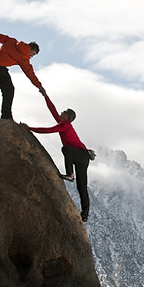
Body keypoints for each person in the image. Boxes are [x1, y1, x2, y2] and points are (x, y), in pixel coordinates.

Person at [27, 94, 91, 222]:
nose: (60, 113)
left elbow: (47, 130)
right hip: (83, 156)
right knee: (81, 186)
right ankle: (85, 212)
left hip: (80, 154)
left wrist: (29, 128)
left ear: (66, 116)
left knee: (66, 149)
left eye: (62, 112)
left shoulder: (65, 125)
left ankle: (70, 174)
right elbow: (52, 109)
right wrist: (45, 96)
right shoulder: (63, 123)